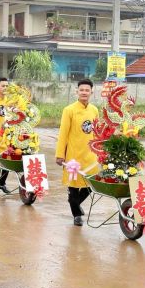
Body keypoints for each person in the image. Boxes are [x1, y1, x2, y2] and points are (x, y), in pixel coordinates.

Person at [55, 79, 99, 226]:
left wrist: (101, 150)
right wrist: (60, 154)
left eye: (87, 90)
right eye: (82, 90)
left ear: (92, 92)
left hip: (90, 155)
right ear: (77, 92)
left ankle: (74, 202)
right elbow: (63, 134)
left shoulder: (94, 110)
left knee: (91, 185)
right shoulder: (69, 110)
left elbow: (97, 133)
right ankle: (76, 215)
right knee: (73, 187)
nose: (84, 92)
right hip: (74, 156)